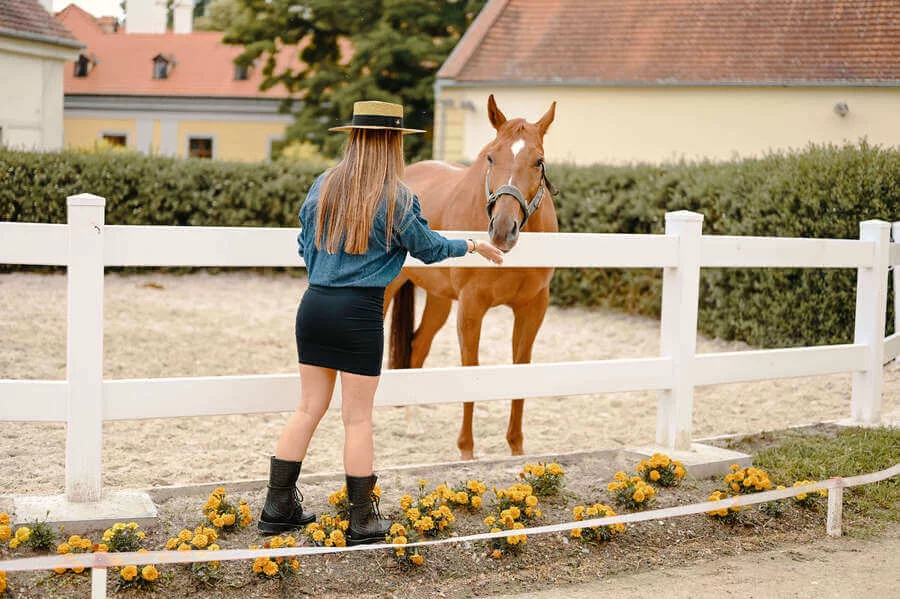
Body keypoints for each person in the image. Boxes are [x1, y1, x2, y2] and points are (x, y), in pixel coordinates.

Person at [258, 101, 504, 544]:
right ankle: (362, 520)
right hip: (358, 312)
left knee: (307, 409)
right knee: (357, 420)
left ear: (353, 138)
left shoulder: (323, 186)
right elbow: (428, 249)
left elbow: (302, 244)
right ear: (393, 142)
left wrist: (329, 267)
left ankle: (277, 507)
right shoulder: (397, 196)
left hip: (313, 305)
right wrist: (470, 245)